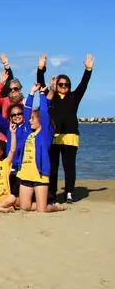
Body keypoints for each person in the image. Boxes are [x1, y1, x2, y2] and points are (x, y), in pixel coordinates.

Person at [41, 53, 94, 203]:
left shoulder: (73, 97)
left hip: (71, 137)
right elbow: (40, 82)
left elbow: (83, 84)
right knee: (53, 166)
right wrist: (41, 68)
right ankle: (52, 192)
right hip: (53, 137)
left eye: (66, 85)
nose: (64, 87)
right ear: (56, 85)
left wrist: (88, 70)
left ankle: (69, 192)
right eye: (61, 84)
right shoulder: (50, 96)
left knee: (69, 166)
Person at [16, 84, 67, 213]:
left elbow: (44, 112)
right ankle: (39, 204)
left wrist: (42, 94)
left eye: (33, 118)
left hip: (40, 175)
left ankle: (56, 207)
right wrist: (31, 93)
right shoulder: (28, 133)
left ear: (40, 120)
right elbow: (27, 111)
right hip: (26, 174)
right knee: (25, 207)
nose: (30, 121)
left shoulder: (45, 134)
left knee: (42, 210)